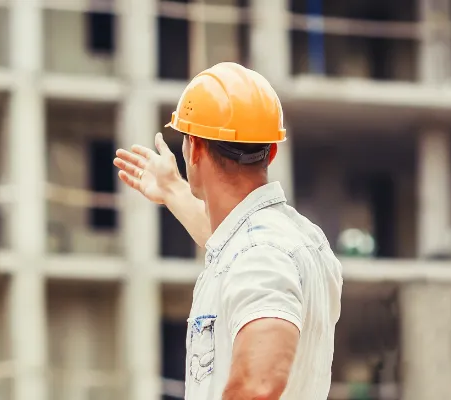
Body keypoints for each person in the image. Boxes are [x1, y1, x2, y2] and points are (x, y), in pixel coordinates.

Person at [113, 62, 342, 400]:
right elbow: (235, 248)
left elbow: (258, 386)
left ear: (194, 149)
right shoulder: (296, 239)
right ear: (272, 151)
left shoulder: (261, 253)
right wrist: (174, 190)